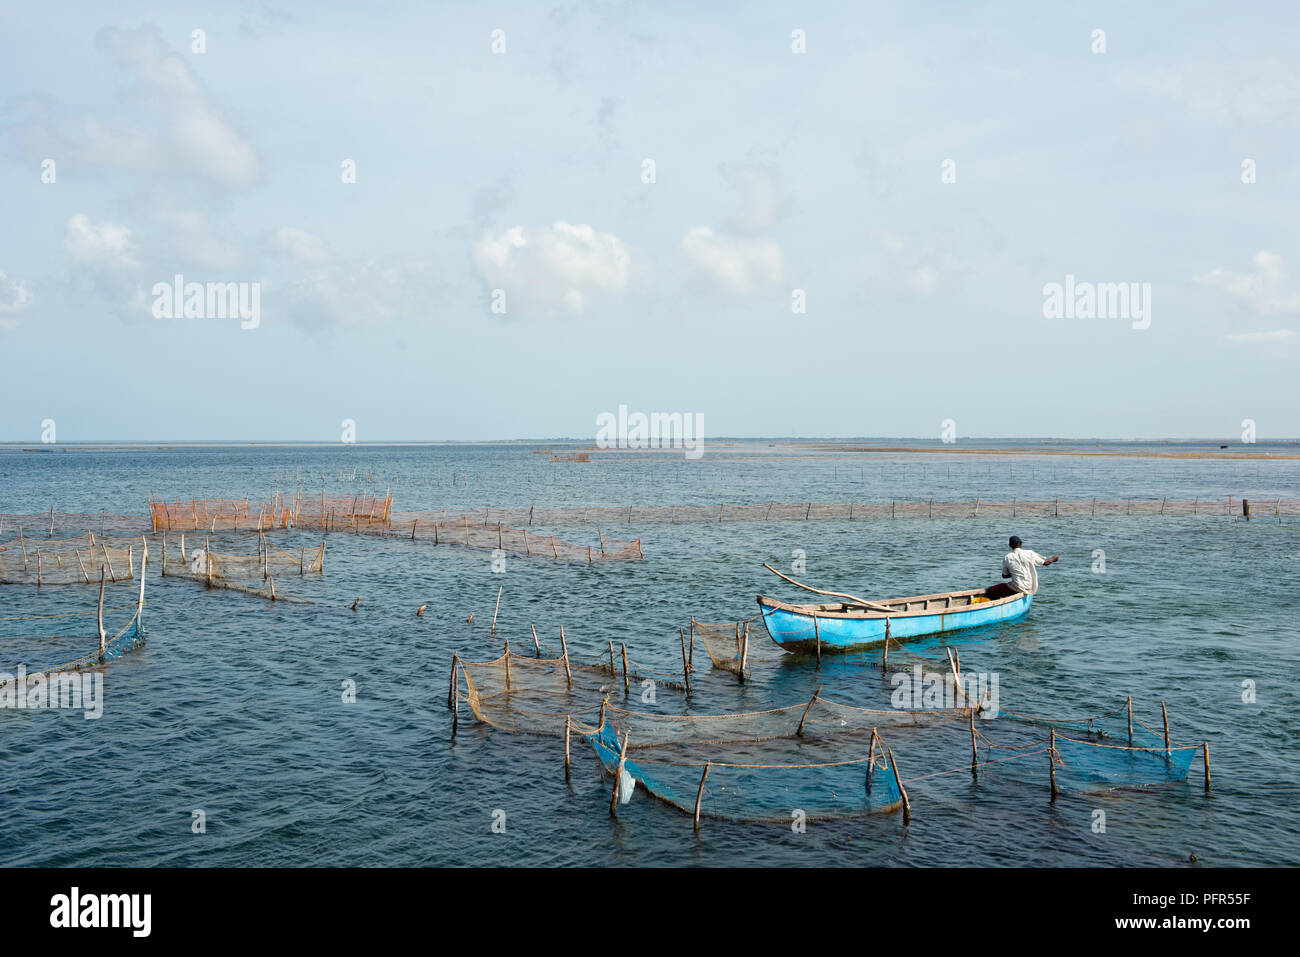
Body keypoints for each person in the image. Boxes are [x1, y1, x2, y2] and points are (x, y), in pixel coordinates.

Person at [988, 535, 1058, 598]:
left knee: (990, 590)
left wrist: (1014, 572)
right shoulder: (1029, 553)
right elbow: (1046, 563)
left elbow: (1004, 576)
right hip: (1030, 587)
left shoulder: (1007, 557)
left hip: (1016, 587)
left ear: (1010, 545)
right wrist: (1053, 558)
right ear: (1020, 544)